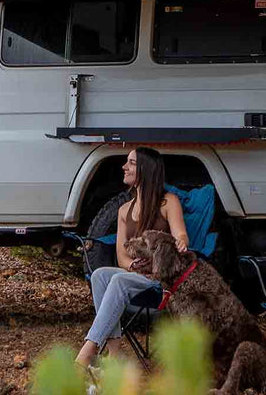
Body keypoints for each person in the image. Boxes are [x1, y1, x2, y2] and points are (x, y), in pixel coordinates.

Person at [75, 147, 189, 367]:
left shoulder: (167, 202)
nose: (124, 167)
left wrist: (182, 241)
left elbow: (180, 233)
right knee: (100, 275)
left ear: (146, 169)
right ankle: (114, 354)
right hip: (137, 277)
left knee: (118, 280)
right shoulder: (124, 210)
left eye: (131, 163)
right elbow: (121, 256)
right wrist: (133, 267)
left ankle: (86, 353)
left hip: (160, 279)